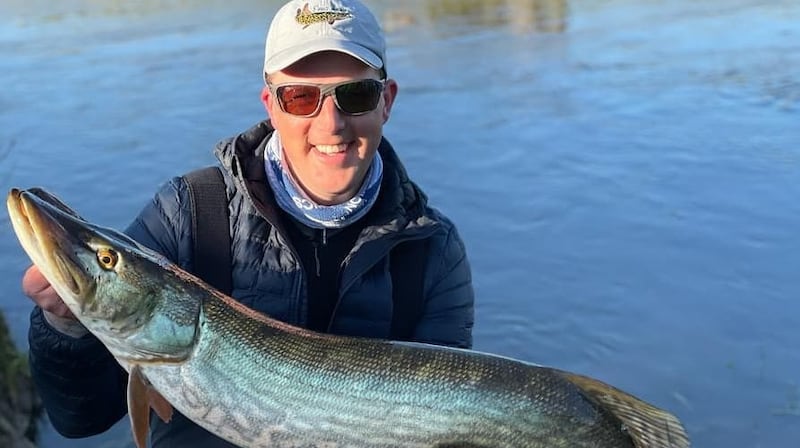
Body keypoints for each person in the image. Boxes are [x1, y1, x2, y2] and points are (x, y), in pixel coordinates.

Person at [21, 0, 474, 446]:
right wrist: (65, 327)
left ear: (386, 101)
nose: (331, 123)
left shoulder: (431, 249)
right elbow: (80, 418)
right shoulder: (190, 212)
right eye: (301, 97)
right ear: (271, 106)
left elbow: (451, 424)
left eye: (355, 94)